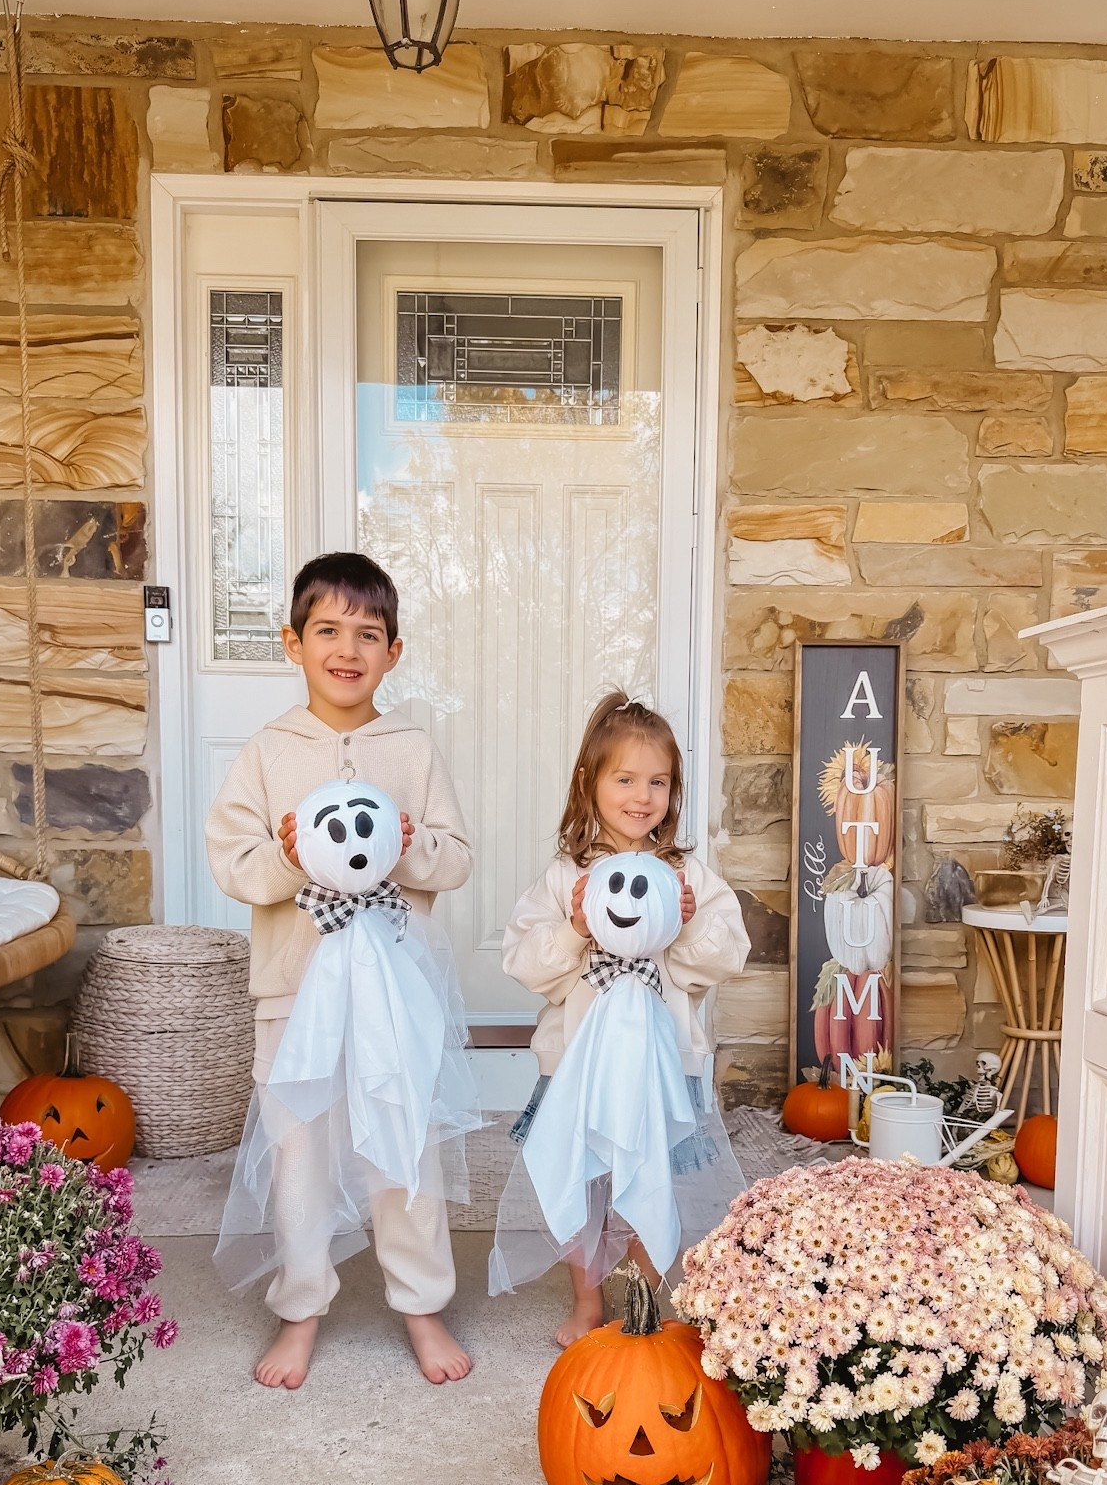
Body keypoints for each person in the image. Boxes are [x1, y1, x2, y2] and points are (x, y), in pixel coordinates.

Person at [205, 552, 474, 1391]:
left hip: (395, 994)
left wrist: (404, 840)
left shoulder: (412, 750)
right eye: (327, 630)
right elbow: (233, 859)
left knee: (405, 1148)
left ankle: (422, 1303)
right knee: (301, 1155)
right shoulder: (268, 751)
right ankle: (300, 1309)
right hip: (296, 991)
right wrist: (290, 859)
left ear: (395, 650)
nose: (347, 648)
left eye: (368, 633)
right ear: (293, 642)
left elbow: (454, 857)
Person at [494, 693, 749, 1345]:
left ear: (674, 790)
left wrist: (684, 923)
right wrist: (577, 931)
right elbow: (525, 958)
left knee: (649, 1174)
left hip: (659, 1063)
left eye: (658, 782)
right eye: (625, 779)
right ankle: (585, 1301)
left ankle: (643, 1297)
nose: (642, 796)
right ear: (590, 783)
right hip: (581, 1060)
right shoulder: (566, 877)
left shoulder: (683, 873)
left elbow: (727, 950)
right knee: (586, 1182)